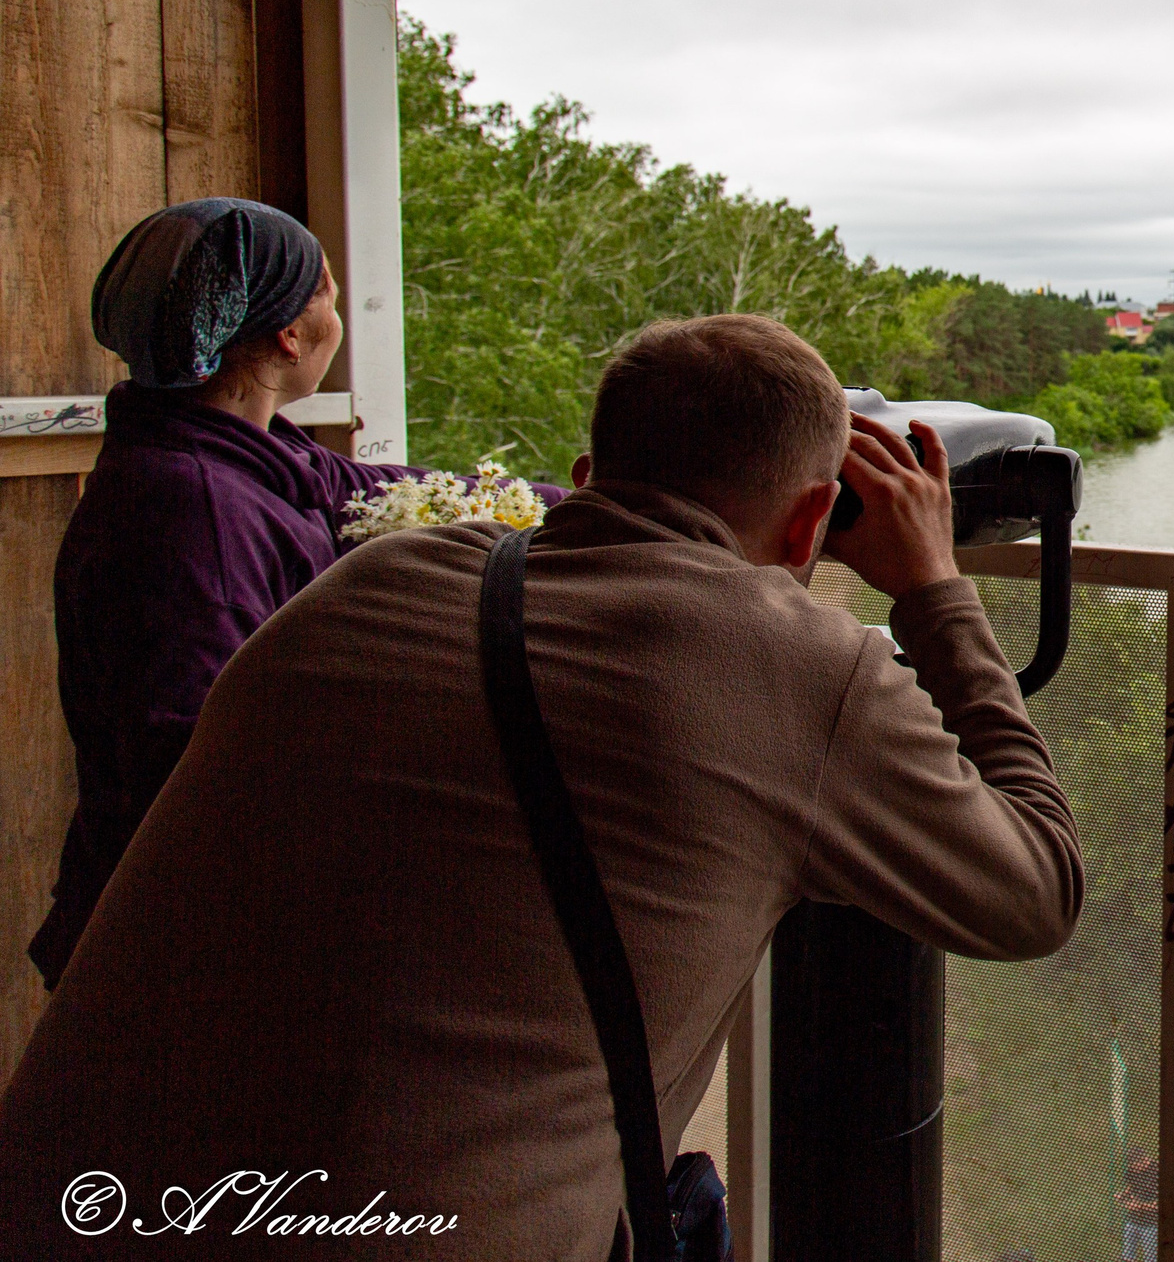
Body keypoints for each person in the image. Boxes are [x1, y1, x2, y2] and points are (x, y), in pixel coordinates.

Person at [0, 313, 1083, 1257]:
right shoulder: (802, 665)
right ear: (811, 522)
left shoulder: (380, 577)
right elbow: (1036, 892)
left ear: (586, 472)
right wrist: (933, 587)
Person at [29, 198, 543, 988]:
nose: (339, 317)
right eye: (328, 295)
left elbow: (383, 489)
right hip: (178, 949)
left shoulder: (243, 453)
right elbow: (195, 760)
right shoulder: (193, 509)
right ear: (290, 337)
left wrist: (591, 503)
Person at [1118, 1150, 1160, 1262]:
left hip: (1151, 1224)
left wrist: (1138, 1206)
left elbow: (1159, 1204)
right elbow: (1131, 1186)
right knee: (1128, 1254)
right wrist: (1123, 1194)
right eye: (1132, 1168)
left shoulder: (1156, 1173)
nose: (1134, 1170)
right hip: (1133, 1220)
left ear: (1144, 1161)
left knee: (1150, 1257)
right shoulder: (1131, 1172)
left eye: (1135, 1167)